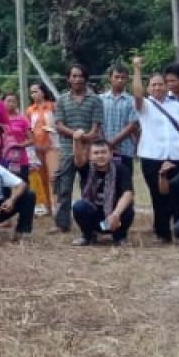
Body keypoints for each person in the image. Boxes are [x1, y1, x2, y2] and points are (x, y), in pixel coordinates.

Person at [132, 56, 179, 244]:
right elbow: (136, 94)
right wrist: (136, 70)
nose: (157, 88)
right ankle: (162, 233)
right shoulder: (144, 106)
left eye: (161, 84)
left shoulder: (176, 105)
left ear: (166, 87)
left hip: (178, 155)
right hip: (153, 157)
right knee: (158, 196)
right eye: (153, 85)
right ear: (148, 87)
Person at [51, 64, 103, 234]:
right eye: (74, 76)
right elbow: (59, 125)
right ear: (68, 79)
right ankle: (61, 224)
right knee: (63, 188)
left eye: (80, 76)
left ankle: (89, 222)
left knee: (89, 187)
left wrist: (84, 138)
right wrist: (76, 135)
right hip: (67, 150)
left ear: (85, 78)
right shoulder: (62, 100)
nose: (77, 79)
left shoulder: (95, 100)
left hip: (89, 151)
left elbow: (96, 128)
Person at [71, 138, 134, 247]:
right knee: (79, 207)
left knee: (128, 209)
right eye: (96, 153)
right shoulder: (86, 168)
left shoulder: (121, 169)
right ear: (90, 156)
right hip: (96, 220)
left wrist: (115, 214)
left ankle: (120, 237)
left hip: (114, 220)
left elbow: (128, 193)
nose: (100, 156)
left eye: (104, 152)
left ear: (111, 154)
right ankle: (88, 236)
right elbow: (78, 159)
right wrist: (76, 140)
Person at [25, 82, 57, 214]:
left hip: (53, 145)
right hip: (37, 146)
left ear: (43, 91)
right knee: (41, 177)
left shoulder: (53, 106)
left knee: (53, 177)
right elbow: (28, 128)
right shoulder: (30, 110)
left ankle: (57, 206)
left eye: (36, 91)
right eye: (31, 92)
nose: (34, 94)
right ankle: (48, 206)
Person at [99, 63, 138, 173]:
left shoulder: (132, 101)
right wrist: (105, 143)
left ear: (127, 79)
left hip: (125, 150)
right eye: (116, 77)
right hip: (102, 150)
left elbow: (132, 125)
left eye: (123, 77)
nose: (120, 80)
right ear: (110, 78)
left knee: (125, 183)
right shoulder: (100, 100)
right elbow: (97, 123)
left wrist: (112, 142)